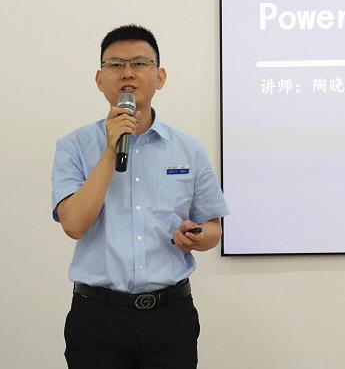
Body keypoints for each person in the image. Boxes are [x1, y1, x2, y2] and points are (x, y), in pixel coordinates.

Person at [51, 24, 229, 368]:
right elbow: (73, 225)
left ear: (160, 77)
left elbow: (213, 228)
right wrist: (110, 150)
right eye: (115, 64)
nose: (128, 73)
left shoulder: (189, 149)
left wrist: (196, 236)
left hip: (170, 317)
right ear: (99, 79)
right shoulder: (73, 146)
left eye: (140, 63)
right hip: (97, 317)